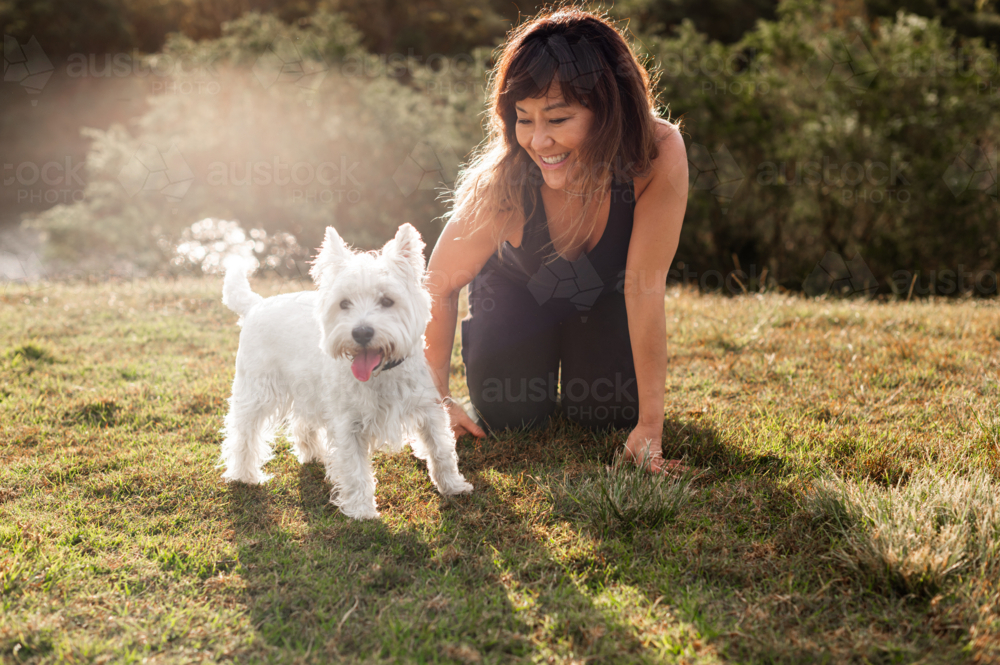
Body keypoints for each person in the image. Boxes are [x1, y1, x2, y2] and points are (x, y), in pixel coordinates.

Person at [423, 6, 689, 474]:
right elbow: (437, 284)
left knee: (605, 415)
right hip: (517, 294)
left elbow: (644, 288)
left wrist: (649, 427)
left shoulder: (658, 152)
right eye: (524, 119)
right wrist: (435, 403)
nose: (538, 141)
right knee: (512, 414)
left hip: (604, 297)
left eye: (558, 118)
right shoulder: (505, 183)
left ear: (609, 111)